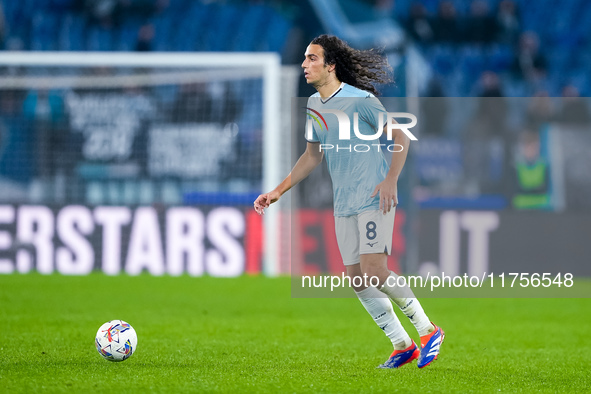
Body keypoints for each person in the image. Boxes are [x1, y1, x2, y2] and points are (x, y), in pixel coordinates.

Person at [253, 34, 444, 369]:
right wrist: (278, 190)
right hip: (344, 203)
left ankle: (428, 330)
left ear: (331, 65)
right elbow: (312, 157)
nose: (304, 64)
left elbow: (400, 135)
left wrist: (389, 181)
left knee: (374, 270)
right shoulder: (314, 105)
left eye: (312, 58)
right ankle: (402, 344)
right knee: (357, 278)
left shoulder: (360, 101)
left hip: (373, 196)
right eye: (304, 58)